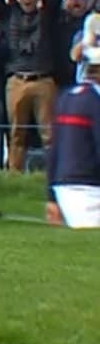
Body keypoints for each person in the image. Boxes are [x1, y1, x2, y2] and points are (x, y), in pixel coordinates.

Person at [47, 14, 100, 228]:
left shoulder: (66, 98)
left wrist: (51, 197)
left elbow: (53, 150)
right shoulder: (94, 101)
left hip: (65, 190)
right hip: (88, 191)